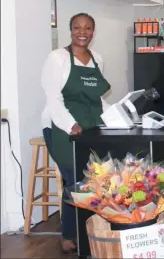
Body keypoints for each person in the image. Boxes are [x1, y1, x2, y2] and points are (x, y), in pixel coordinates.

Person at [41, 13, 111, 253]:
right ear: (70, 30)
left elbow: (98, 100)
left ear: (93, 32)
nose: (83, 32)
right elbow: (53, 99)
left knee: (96, 177)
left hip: (91, 126)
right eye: (78, 27)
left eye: (88, 28)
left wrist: (119, 116)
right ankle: (70, 234)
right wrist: (72, 125)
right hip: (61, 127)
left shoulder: (97, 59)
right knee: (74, 179)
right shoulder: (57, 59)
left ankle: (94, 230)